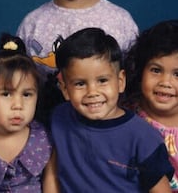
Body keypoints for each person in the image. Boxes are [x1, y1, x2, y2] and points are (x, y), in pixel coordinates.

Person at [50, 27, 173, 192]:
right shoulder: (60, 117)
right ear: (65, 89)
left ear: (120, 81)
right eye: (80, 83)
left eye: (102, 80)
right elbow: (52, 172)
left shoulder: (143, 137)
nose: (92, 92)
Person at [0, 33, 55, 192]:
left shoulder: (44, 137)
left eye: (27, 95)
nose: (18, 105)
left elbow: (51, 182)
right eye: (6, 94)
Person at [123, 20, 178, 191]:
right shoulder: (124, 115)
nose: (165, 82)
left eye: (177, 74)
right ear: (140, 70)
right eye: (156, 70)